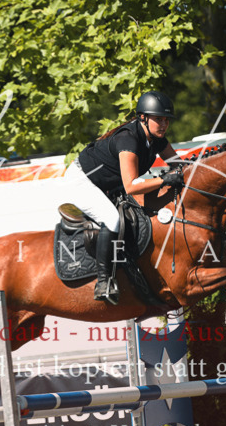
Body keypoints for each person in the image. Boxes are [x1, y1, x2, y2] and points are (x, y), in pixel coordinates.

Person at [65, 90, 185, 304]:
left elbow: (181, 167)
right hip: (81, 182)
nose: (164, 124)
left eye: (166, 119)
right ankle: (104, 282)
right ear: (143, 118)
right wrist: (166, 180)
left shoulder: (157, 140)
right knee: (112, 219)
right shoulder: (128, 139)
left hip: (108, 185)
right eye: (158, 119)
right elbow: (131, 186)